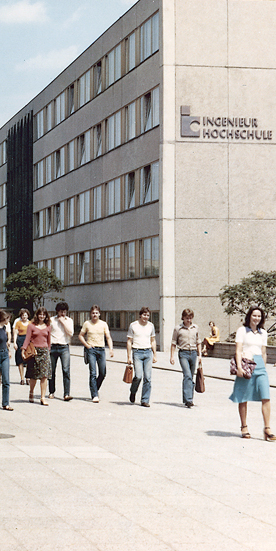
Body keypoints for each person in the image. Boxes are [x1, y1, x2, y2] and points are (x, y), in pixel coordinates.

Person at [229, 306, 276, 441]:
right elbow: (238, 350)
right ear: (249, 316)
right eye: (254, 315)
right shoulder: (242, 331)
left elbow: (263, 351)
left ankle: (267, 428)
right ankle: (244, 426)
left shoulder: (263, 333)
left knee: (266, 396)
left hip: (260, 365)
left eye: (259, 316)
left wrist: (264, 368)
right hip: (246, 364)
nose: (256, 318)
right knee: (243, 396)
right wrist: (239, 367)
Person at [78, 305, 114, 402]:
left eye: (96, 313)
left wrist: (111, 349)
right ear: (91, 314)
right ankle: (94, 395)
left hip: (101, 350)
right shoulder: (87, 324)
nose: (95, 315)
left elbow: (108, 337)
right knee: (93, 372)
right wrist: (87, 345)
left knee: (102, 373)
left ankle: (95, 389)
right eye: (93, 313)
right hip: (91, 350)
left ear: (99, 314)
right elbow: (80, 336)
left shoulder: (103, 324)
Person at [170, 308, 202, 408]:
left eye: (190, 318)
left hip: (193, 353)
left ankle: (188, 398)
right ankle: (188, 399)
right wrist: (172, 356)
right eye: (187, 318)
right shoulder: (178, 328)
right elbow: (173, 343)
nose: (189, 320)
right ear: (183, 318)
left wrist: (200, 355)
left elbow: (198, 342)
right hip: (183, 353)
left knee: (190, 376)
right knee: (187, 375)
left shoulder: (195, 328)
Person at [127, 306, 157, 407]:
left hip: (148, 352)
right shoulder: (133, 325)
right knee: (138, 376)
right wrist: (129, 357)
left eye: (148, 315)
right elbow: (129, 341)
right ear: (140, 315)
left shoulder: (151, 326)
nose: (146, 317)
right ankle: (133, 391)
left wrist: (155, 355)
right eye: (144, 315)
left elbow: (153, 340)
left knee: (148, 378)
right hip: (137, 352)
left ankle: (145, 400)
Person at [22, 307, 51, 406]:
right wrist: (23, 349)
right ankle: (31, 392)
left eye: (44, 314)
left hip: (45, 352)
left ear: (46, 316)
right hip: (34, 352)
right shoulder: (31, 326)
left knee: (44, 375)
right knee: (33, 375)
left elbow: (49, 341)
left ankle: (42, 397)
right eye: (40, 314)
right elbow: (27, 339)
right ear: (37, 315)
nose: (42, 316)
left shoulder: (48, 326)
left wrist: (48, 351)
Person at [49, 302, 74, 401]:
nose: (63, 313)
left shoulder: (69, 320)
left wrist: (63, 322)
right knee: (52, 370)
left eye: (64, 311)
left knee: (66, 370)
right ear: (57, 311)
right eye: (61, 311)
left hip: (64, 347)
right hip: (53, 346)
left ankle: (66, 393)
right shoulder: (51, 320)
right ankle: (51, 391)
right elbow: (48, 333)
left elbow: (70, 333)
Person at [0, 309, 13, 410]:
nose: (8, 319)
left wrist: (9, 351)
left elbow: (5, 342)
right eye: (7, 318)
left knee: (6, 380)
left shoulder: (4, 328)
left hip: (4, 354)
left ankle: (6, 403)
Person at [13, 308, 31, 385]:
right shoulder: (18, 323)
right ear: (21, 316)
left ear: (28, 316)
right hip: (20, 340)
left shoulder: (30, 323)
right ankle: (22, 378)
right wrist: (14, 343)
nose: (24, 317)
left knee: (28, 360)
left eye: (26, 315)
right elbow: (15, 333)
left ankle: (28, 377)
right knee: (20, 360)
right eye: (23, 315)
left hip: (28, 341)